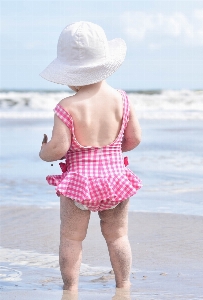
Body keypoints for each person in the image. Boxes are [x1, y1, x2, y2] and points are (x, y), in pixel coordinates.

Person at [38, 21, 142, 293]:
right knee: (117, 235)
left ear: (68, 73)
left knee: (71, 238)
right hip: (115, 180)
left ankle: (70, 288)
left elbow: (59, 148)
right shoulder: (122, 99)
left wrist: (43, 151)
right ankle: (124, 284)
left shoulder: (67, 106)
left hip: (79, 184)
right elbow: (134, 139)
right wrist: (110, 153)